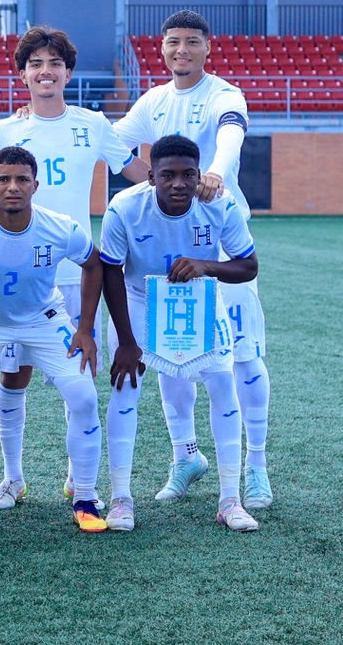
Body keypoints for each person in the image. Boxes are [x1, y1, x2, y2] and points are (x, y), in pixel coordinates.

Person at [112, 9, 274, 510]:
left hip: (219, 239)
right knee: (171, 357)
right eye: (173, 42)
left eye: (191, 42)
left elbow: (231, 133)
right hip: (167, 235)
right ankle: (185, 456)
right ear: (161, 48)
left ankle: (255, 466)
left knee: (242, 357)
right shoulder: (154, 100)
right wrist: (149, 180)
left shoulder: (224, 94)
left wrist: (215, 174)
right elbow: (111, 142)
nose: (181, 50)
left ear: (208, 47)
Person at [0, 26, 148, 510]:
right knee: (14, 376)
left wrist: (191, 184)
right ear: (23, 74)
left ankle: (79, 474)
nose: (45, 72)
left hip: (77, 275)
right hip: (19, 278)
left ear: (68, 73)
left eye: (54, 63)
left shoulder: (93, 124)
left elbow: (137, 173)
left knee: (78, 377)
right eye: (35, 64)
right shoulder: (5, 131)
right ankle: (12, 477)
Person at [0, 146, 113, 532]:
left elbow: (94, 264)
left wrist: (84, 329)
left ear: (35, 185)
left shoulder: (60, 227)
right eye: (4, 179)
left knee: (84, 396)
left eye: (22, 179)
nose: (13, 187)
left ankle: (85, 497)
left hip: (44, 319)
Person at [99, 134, 260, 532]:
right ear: (151, 176)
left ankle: (230, 499)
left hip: (199, 298)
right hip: (140, 299)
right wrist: (127, 341)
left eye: (188, 175)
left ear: (199, 174)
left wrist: (207, 265)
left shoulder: (219, 204)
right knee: (125, 388)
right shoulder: (124, 207)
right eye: (167, 175)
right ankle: (121, 498)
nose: (178, 184)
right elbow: (110, 272)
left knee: (223, 384)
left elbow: (248, 265)